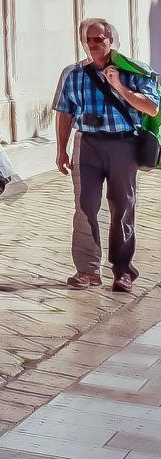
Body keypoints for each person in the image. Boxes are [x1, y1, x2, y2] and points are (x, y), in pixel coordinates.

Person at [55, 17, 161, 291]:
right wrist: (61, 149)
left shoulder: (135, 71)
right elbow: (65, 112)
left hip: (123, 145)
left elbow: (152, 108)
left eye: (98, 39)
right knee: (85, 205)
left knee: (122, 205)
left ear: (110, 40)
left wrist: (119, 87)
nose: (93, 45)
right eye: (88, 40)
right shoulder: (74, 74)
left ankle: (122, 270)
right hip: (87, 143)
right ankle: (88, 270)